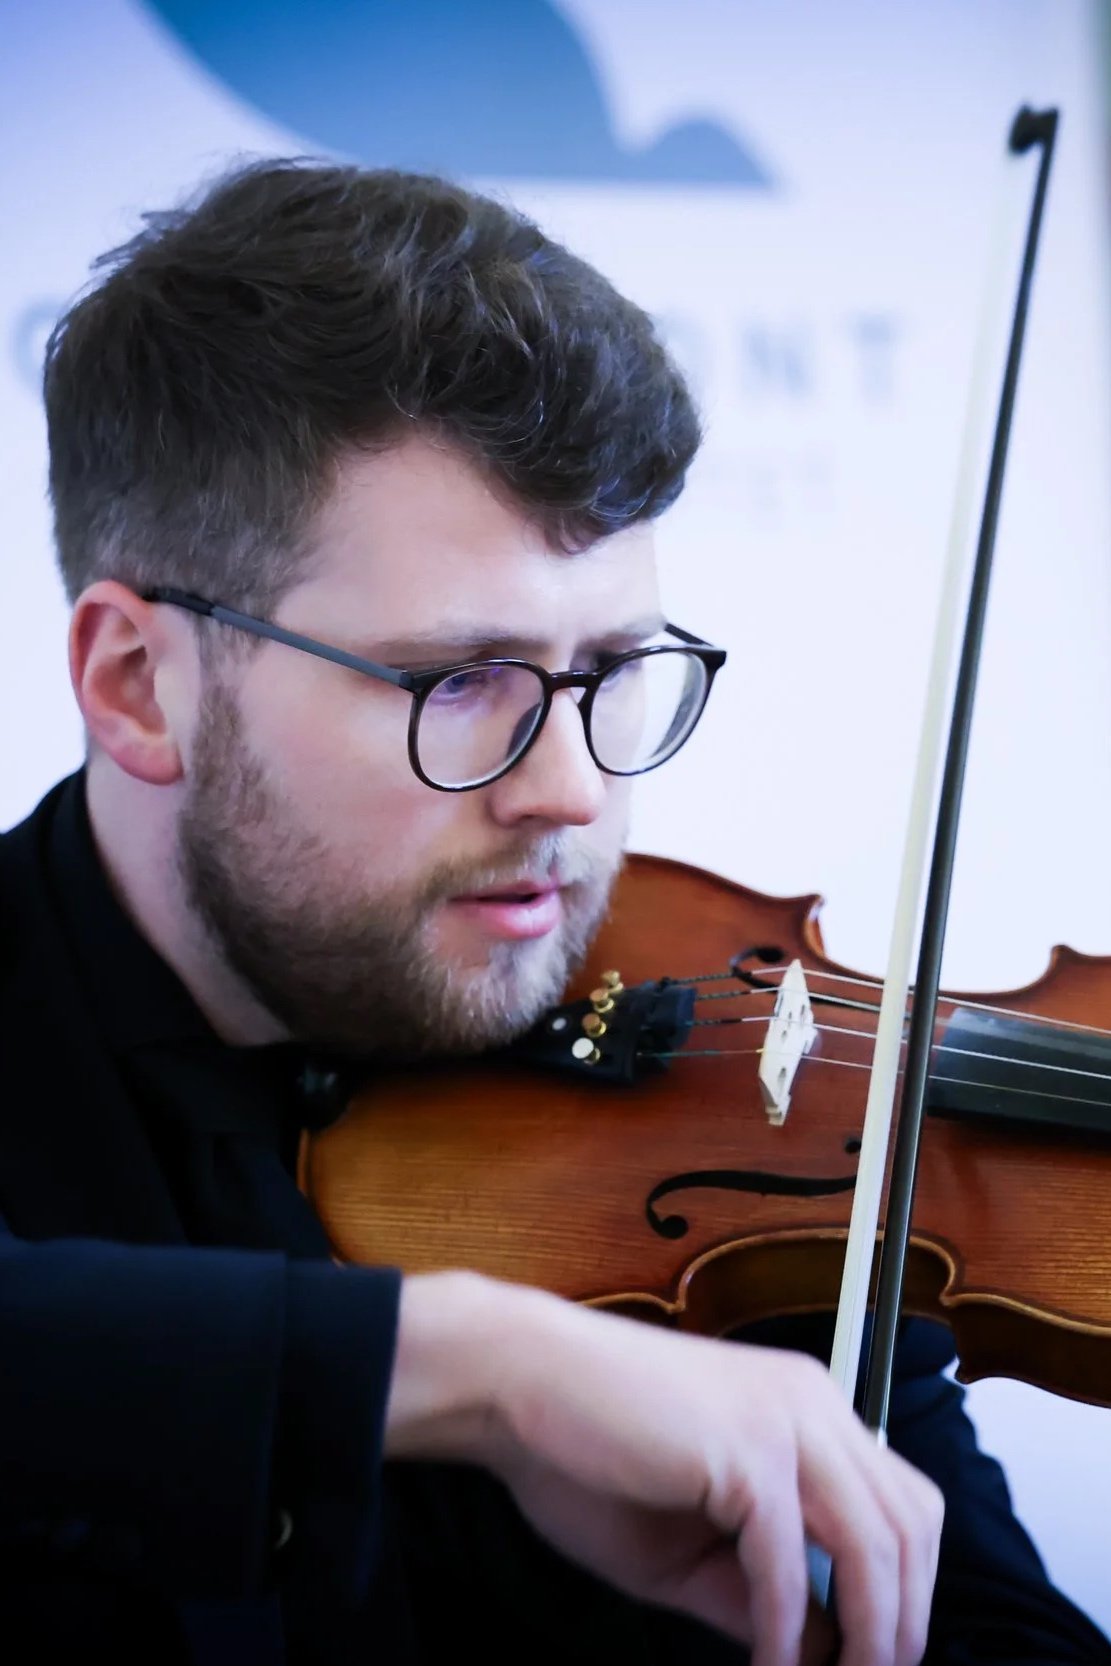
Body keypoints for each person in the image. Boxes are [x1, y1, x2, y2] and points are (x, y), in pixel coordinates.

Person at [1, 159, 1107, 1666]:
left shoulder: (734, 1111)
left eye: (613, 672)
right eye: (459, 681)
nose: (575, 791)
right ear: (141, 683)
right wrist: (474, 1363)